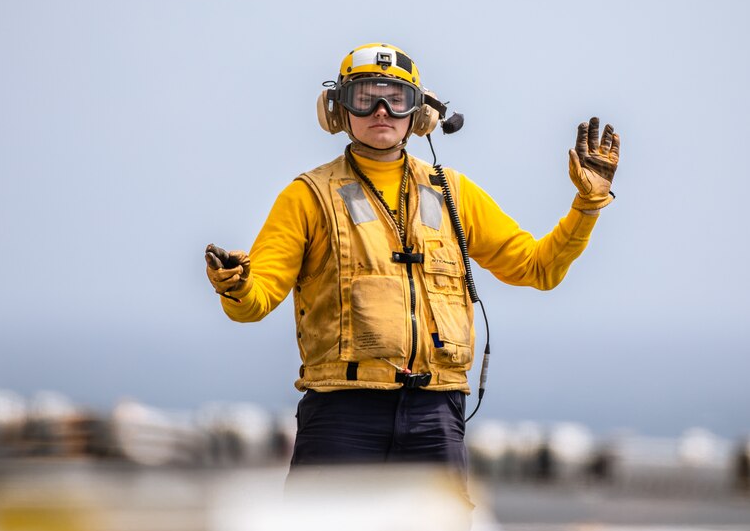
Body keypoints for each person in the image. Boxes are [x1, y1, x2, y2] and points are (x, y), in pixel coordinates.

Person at [205, 43, 620, 487]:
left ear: (420, 115)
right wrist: (237, 285)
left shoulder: (453, 194)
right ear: (336, 110)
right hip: (343, 411)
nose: (381, 110)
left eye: (396, 98)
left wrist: (587, 204)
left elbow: (539, 269)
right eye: (365, 97)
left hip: (435, 412)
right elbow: (254, 301)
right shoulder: (307, 196)